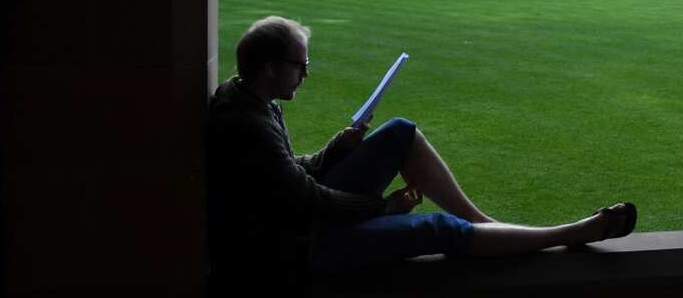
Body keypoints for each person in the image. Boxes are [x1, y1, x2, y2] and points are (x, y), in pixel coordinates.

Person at [206, 16, 637, 292]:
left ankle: (485, 225)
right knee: (437, 228)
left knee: (400, 133)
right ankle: (569, 234)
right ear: (269, 68)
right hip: (293, 247)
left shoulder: (252, 96)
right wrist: (383, 206)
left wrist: (335, 148)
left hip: (295, 219)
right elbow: (307, 200)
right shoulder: (247, 122)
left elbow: (288, 173)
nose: (307, 72)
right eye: (300, 65)